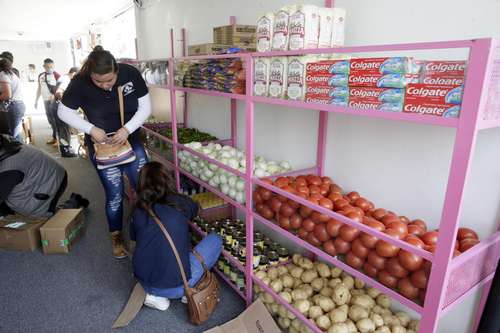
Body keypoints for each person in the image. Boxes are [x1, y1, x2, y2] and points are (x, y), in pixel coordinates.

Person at [58, 45, 151, 258]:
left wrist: (127, 129)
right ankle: (116, 237)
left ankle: (148, 232)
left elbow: (145, 108)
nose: (105, 85)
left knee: (146, 190)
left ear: (116, 71)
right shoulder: (80, 82)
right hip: (102, 148)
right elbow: (63, 111)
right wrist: (91, 130)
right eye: (98, 81)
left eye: (109, 80)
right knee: (115, 196)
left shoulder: (130, 73)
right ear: (89, 74)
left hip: (131, 143)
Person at [130, 161, 222, 311]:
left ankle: (155, 297)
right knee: (216, 239)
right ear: (167, 179)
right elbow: (194, 210)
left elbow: (134, 238)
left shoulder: (137, 209)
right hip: (178, 286)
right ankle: (189, 290)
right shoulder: (180, 202)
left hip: (143, 281)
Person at [35, 58, 74, 157]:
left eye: (51, 66)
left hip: (53, 102)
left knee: (59, 125)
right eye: (47, 67)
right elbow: (59, 91)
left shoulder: (57, 75)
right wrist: (36, 100)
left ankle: (61, 143)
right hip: (53, 103)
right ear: (44, 66)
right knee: (57, 124)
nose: (49, 68)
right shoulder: (42, 76)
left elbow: (58, 91)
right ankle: (63, 147)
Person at [0, 57, 25, 141]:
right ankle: (21, 152)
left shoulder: (3, 74)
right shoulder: (12, 74)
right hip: (18, 105)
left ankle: (20, 153)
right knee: (16, 133)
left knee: (14, 136)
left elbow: (7, 95)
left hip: (13, 106)